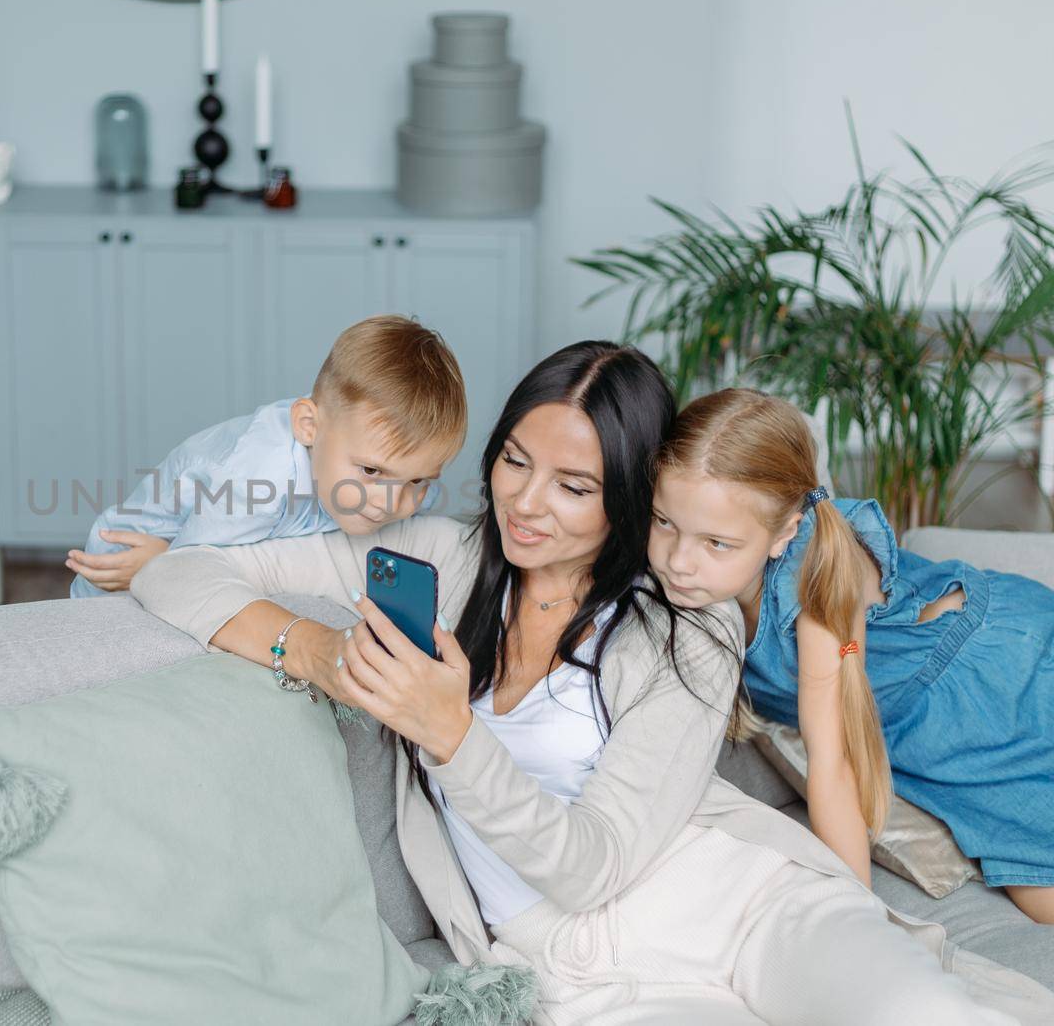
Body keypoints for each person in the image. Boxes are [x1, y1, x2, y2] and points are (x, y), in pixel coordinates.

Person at [131, 341, 1052, 1024]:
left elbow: (594, 863)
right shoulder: (444, 562)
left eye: (574, 484)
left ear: (626, 493)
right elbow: (178, 570)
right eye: (515, 461)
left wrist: (452, 736)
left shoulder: (685, 629)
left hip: (752, 909)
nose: (526, 502)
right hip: (582, 976)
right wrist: (316, 653)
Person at [649, 386, 1054, 924]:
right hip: (924, 717)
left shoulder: (813, 576)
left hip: (1001, 671)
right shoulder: (679, 570)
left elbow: (833, 761)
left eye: (715, 543)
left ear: (782, 534)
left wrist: (859, 924)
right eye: (664, 523)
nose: (678, 561)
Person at [68, 314, 466, 596]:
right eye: (370, 470)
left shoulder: (392, 480)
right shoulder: (257, 482)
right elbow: (191, 576)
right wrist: (160, 560)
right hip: (133, 556)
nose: (388, 503)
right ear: (308, 426)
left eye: (416, 480)